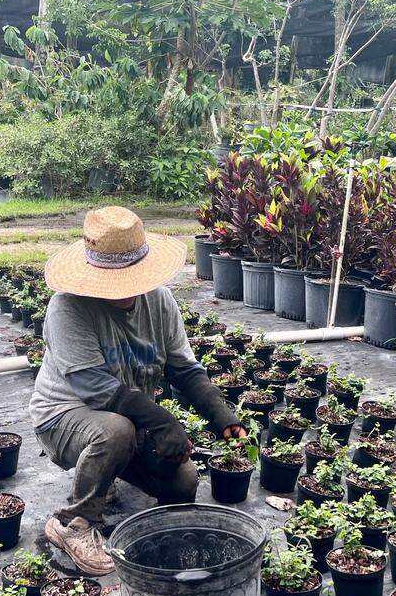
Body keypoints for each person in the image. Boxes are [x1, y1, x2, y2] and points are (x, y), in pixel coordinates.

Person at [30, 206, 246, 575]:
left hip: (128, 415)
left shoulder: (160, 302)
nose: (123, 290)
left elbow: (184, 368)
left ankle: (105, 478)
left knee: (183, 482)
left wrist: (220, 413)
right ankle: (74, 525)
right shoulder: (68, 307)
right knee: (115, 431)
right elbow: (95, 389)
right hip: (64, 417)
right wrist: (163, 421)